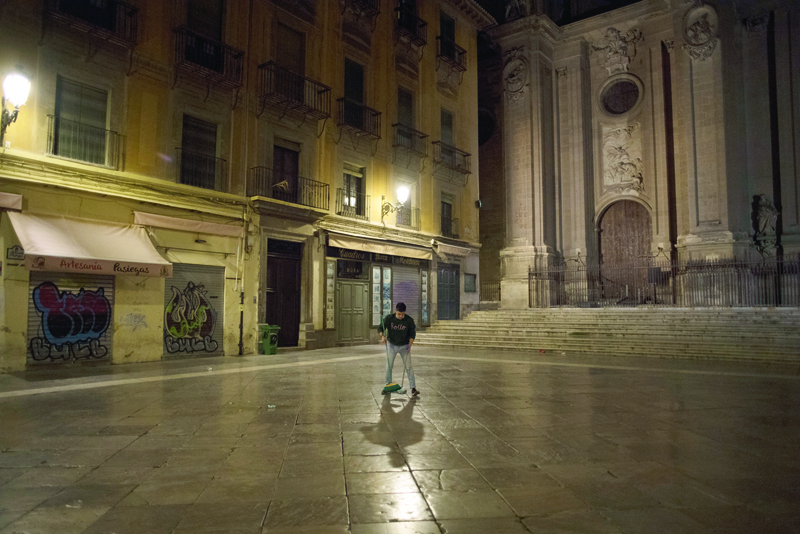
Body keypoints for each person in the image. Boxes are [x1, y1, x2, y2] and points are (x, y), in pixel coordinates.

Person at [377, 302, 419, 396]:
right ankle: (388, 386)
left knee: (408, 366)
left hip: (404, 346)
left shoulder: (409, 320)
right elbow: (380, 328)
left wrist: (410, 345)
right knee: (389, 366)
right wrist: (382, 336)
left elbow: (412, 334)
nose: (400, 316)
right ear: (395, 311)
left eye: (402, 314)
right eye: (399, 314)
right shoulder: (389, 318)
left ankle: (413, 388)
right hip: (391, 345)